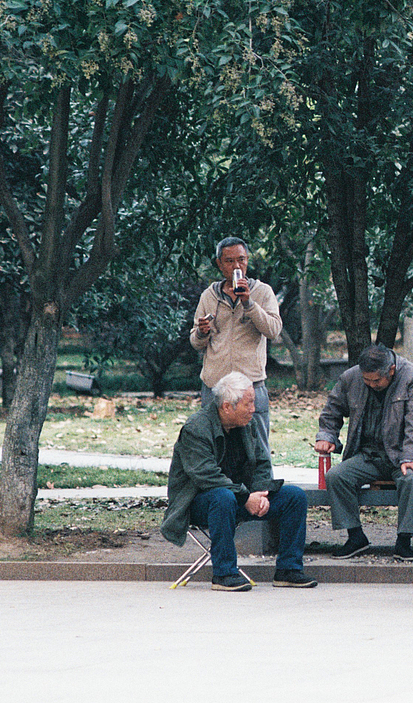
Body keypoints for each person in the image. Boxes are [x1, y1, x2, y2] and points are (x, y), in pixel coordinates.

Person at [161, 371, 315, 590]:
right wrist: (245, 498)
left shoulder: (246, 424)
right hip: (197, 503)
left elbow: (262, 462)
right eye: (248, 403)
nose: (254, 409)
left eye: (254, 402)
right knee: (223, 497)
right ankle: (224, 574)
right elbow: (206, 476)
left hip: (241, 498)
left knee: (295, 497)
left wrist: (261, 493)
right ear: (227, 407)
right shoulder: (196, 428)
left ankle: (288, 569)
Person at [314, 344, 413, 561]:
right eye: (367, 380)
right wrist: (326, 436)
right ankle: (355, 536)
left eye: (376, 381)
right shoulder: (351, 377)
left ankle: (404, 541)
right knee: (337, 477)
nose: (371, 384)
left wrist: (412, 457)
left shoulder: (412, 377)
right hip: (369, 454)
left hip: (403, 454)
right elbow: (332, 410)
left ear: (392, 370)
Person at [190, 236, 282, 456]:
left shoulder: (262, 292)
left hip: (251, 386)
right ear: (219, 265)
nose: (236, 266)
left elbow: (273, 330)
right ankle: (220, 490)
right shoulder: (209, 296)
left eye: (241, 260)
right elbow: (195, 342)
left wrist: (249, 303)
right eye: (229, 261)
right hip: (215, 387)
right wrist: (202, 332)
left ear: (248, 261)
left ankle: (260, 490)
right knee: (213, 448)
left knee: (258, 449)